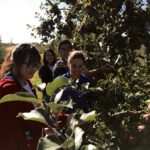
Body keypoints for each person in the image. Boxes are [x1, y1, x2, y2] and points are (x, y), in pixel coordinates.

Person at [0, 44, 42, 150]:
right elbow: (33, 116)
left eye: (37, 64)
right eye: (30, 64)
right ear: (16, 62)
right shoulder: (8, 88)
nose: (35, 68)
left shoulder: (26, 82)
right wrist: (66, 119)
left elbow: (36, 108)